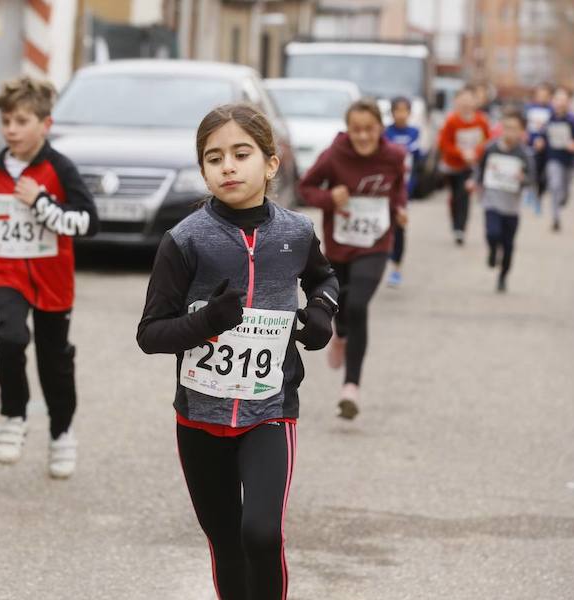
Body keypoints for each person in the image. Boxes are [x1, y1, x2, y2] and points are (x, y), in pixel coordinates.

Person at [137, 103, 338, 600]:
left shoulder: (295, 233)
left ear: (270, 164)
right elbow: (150, 334)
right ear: (203, 170)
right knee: (227, 542)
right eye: (213, 157)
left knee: (261, 534)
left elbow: (325, 280)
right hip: (200, 415)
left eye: (240, 153)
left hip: (269, 410)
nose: (227, 165)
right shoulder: (184, 241)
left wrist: (321, 314)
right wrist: (205, 322)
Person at [0, 75, 99, 478]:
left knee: (54, 361)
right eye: (6, 121)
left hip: (53, 278)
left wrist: (40, 202)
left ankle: (61, 432)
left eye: (21, 121)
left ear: (45, 124)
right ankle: (13, 415)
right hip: (9, 273)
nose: (12, 130)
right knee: (8, 337)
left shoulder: (60, 169)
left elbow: (88, 222)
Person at [299, 99, 407, 419]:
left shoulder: (394, 157)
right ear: (349, 129)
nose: (362, 137)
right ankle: (341, 334)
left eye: (369, 129)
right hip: (339, 244)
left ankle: (351, 388)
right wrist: (329, 198)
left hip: (376, 242)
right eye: (356, 130)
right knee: (343, 307)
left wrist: (400, 208)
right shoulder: (334, 155)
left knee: (358, 305)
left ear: (380, 129)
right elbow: (305, 188)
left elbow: (398, 187)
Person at [468, 109, 535, 293]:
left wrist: (523, 179)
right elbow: (480, 169)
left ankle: (503, 276)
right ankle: (491, 250)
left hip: (512, 206)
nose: (509, 133)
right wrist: (475, 183)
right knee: (492, 233)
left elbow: (532, 178)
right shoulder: (491, 148)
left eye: (514, 129)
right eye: (506, 128)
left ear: (522, 131)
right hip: (492, 199)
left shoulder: (524, 154)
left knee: (509, 245)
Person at [437, 85, 490, 245]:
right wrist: (461, 153)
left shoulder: (481, 121)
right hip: (453, 166)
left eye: (469, 100)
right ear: (457, 101)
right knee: (454, 196)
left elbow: (487, 142)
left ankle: (461, 229)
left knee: (464, 195)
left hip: (470, 166)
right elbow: (444, 144)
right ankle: (455, 223)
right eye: (463, 100)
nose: (466, 103)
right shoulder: (452, 121)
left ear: (475, 101)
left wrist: (475, 153)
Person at [532, 86, 574, 232]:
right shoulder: (549, 118)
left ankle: (563, 199)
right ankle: (555, 218)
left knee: (565, 189)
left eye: (564, 100)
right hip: (553, 158)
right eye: (557, 99)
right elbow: (542, 135)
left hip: (569, 161)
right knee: (555, 184)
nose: (560, 103)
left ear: (569, 102)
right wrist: (539, 142)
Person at [383, 96, 422, 288]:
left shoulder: (414, 132)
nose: (401, 114)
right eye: (397, 110)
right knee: (383, 226)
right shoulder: (385, 132)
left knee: (399, 226)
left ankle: (396, 268)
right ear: (392, 113)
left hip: (404, 188)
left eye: (404, 110)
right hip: (385, 189)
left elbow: (415, 157)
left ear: (409, 112)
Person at [524, 82, 554, 214]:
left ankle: (539, 197)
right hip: (531, 147)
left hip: (546, 149)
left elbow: (553, 130)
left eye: (545, 95)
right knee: (532, 172)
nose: (542, 97)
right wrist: (529, 139)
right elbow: (524, 127)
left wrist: (544, 141)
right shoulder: (529, 109)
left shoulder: (552, 111)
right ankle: (531, 193)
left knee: (543, 177)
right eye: (540, 94)